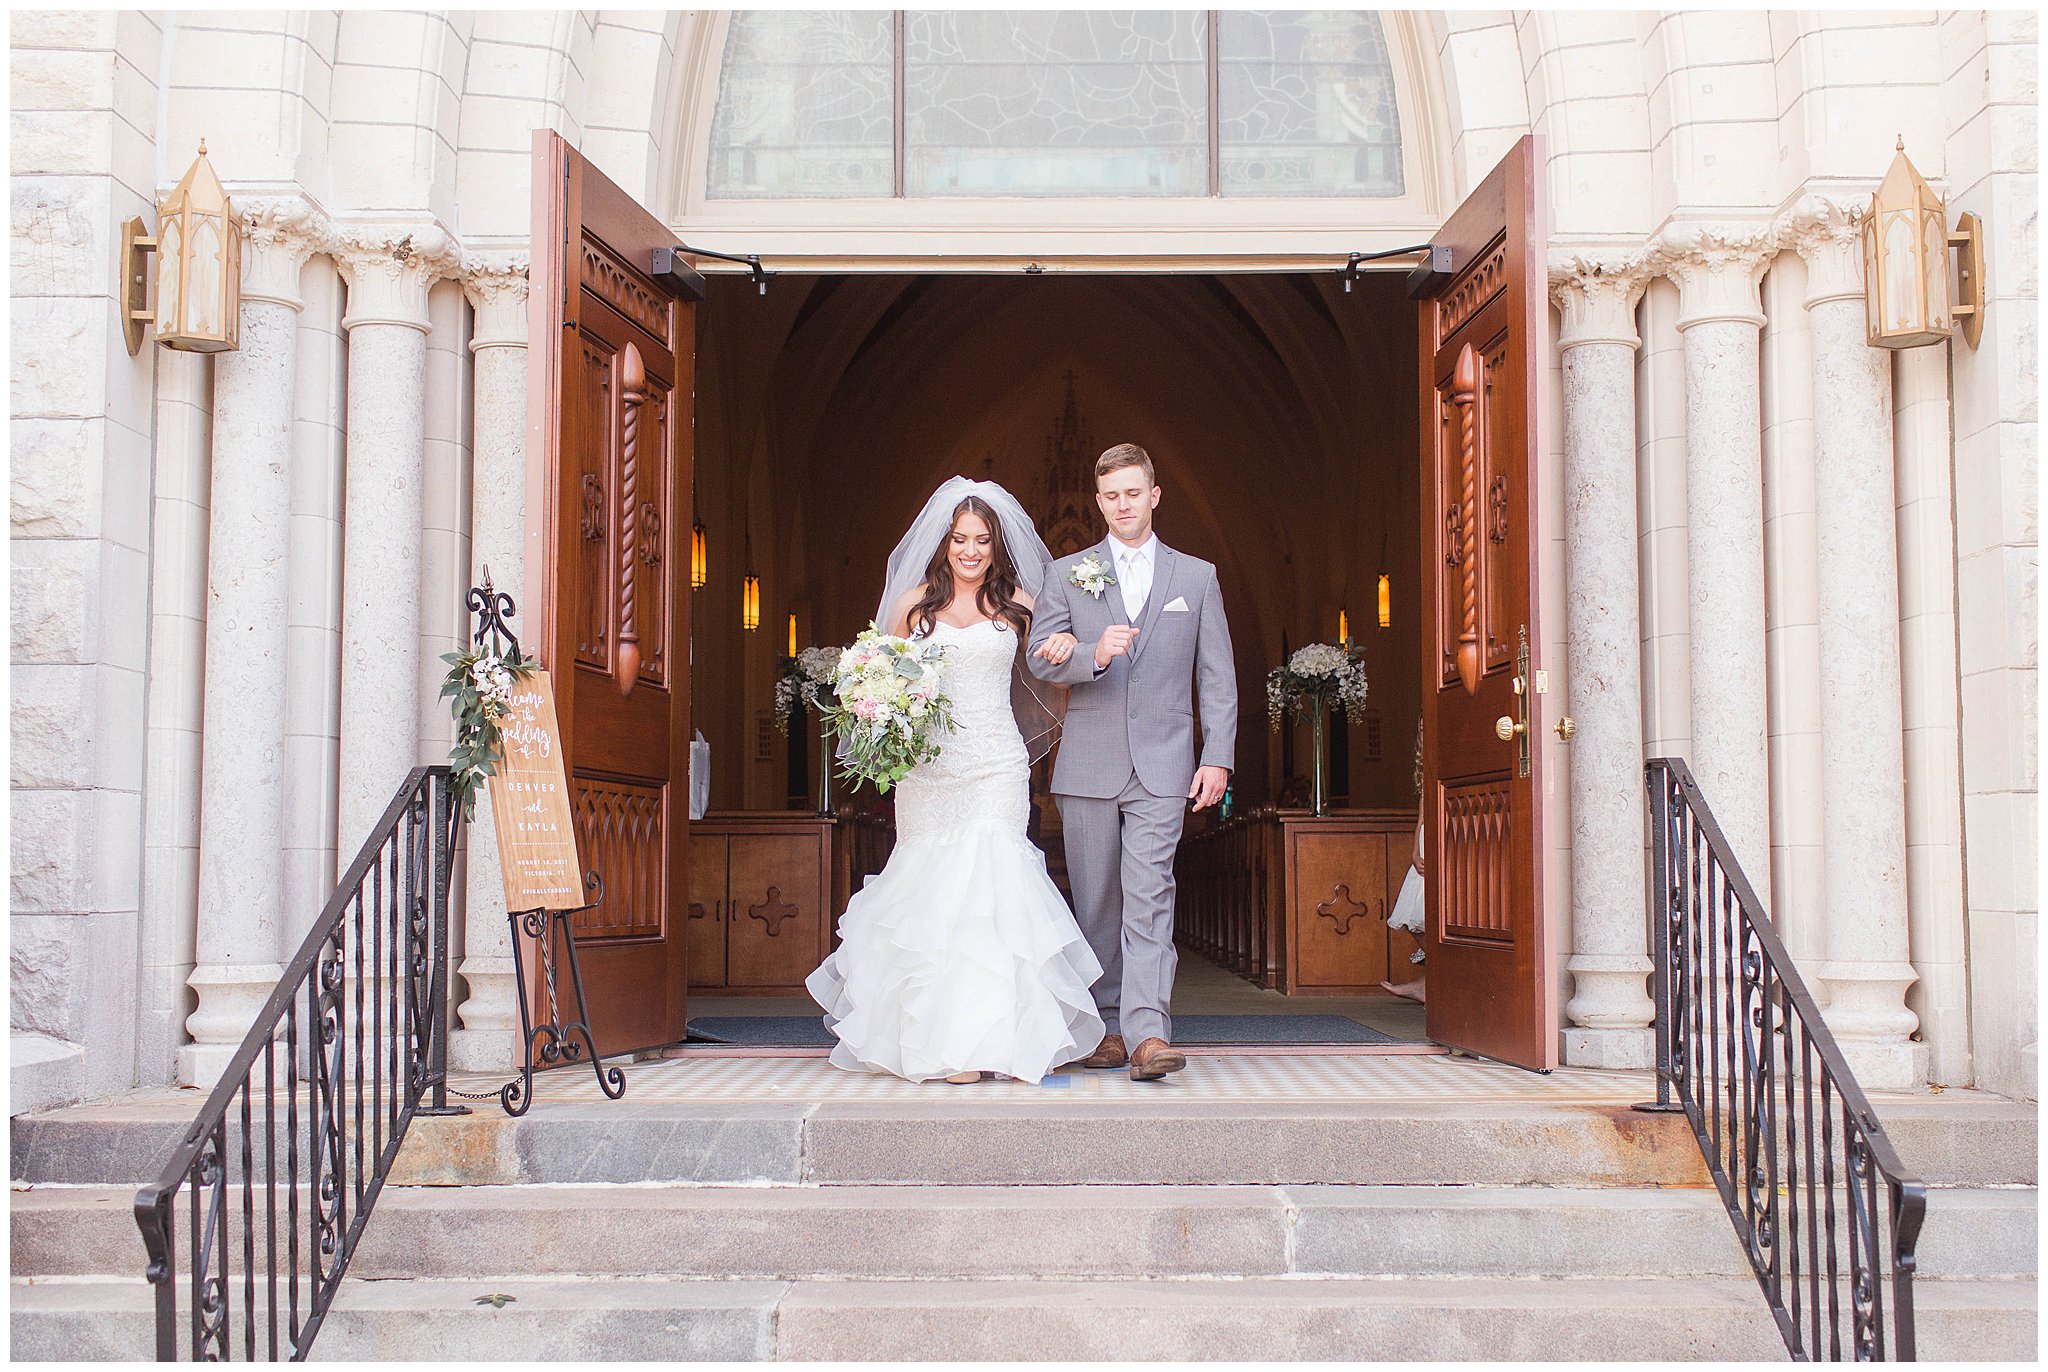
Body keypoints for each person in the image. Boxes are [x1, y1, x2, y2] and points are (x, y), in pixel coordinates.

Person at [805, 479, 1105, 1085]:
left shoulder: (1019, 603)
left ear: (997, 545)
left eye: (982, 540)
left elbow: (1056, 652)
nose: (971, 550)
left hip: (996, 761)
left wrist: (1076, 641)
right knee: (934, 892)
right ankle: (939, 1044)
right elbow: (874, 674)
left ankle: (991, 1041)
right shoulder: (913, 606)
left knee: (993, 894)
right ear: (943, 543)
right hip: (930, 769)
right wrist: (881, 705)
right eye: (960, 539)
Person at [1026, 444, 1238, 1082]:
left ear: (1154, 495)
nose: (1123, 504)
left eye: (1133, 493)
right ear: (1099, 502)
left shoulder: (1196, 578)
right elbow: (1039, 658)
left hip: (1165, 764)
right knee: (1095, 900)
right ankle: (1105, 1025)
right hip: (1089, 763)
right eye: (1111, 495)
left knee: (1151, 897)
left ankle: (1148, 1033)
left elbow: (1217, 677)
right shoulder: (1068, 573)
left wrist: (1218, 758)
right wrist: (1092, 652)